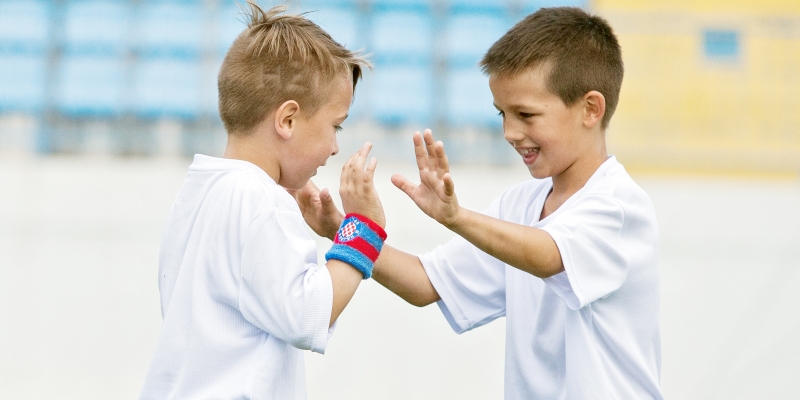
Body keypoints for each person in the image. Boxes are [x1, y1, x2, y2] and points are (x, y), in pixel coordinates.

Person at [297, 7, 664, 399]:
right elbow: (425, 284)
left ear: (591, 109)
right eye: (502, 114)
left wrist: (455, 218)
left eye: (526, 114)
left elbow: (549, 255)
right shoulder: (519, 205)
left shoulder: (620, 207)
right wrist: (343, 228)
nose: (509, 131)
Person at [139, 4, 384, 399]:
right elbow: (308, 315)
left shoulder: (201, 189)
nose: (336, 146)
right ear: (287, 120)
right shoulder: (260, 199)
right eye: (335, 125)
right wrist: (363, 228)